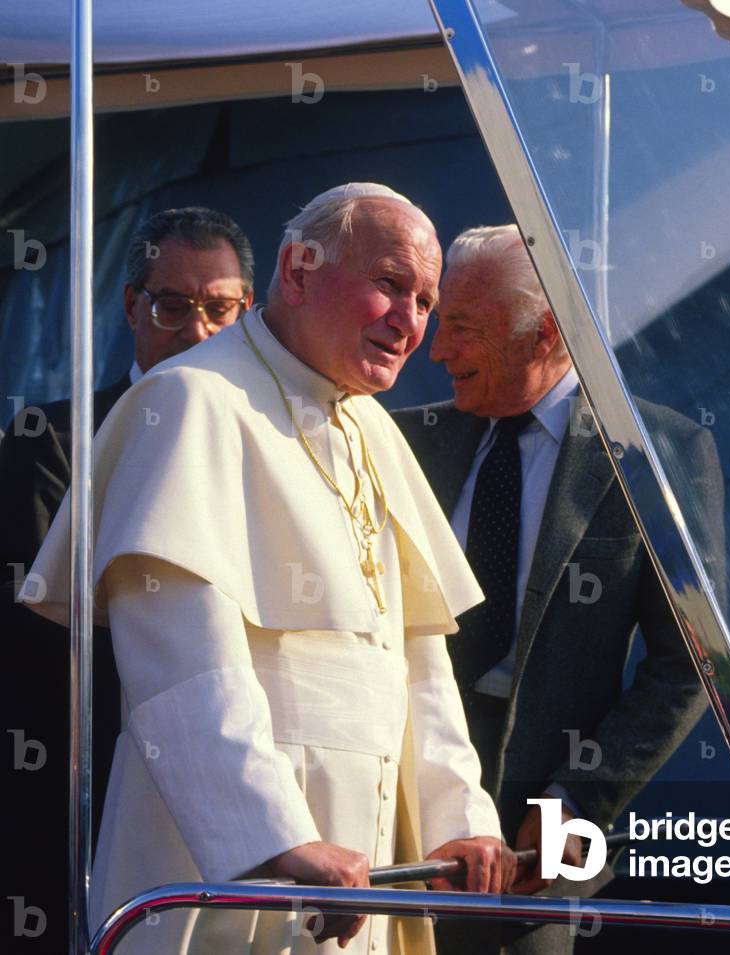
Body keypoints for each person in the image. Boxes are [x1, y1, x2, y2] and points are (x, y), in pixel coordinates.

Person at [21, 185, 505, 955]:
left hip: (365, 870)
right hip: (231, 868)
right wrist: (276, 838)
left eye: (423, 299)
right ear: (299, 268)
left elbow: (417, 660)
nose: (410, 319)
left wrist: (461, 820)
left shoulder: (374, 431)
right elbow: (181, 659)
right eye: (389, 282)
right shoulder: (186, 400)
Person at [393, 225, 725, 955]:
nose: (437, 349)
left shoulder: (656, 455)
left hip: (533, 859)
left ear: (543, 333)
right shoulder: (404, 440)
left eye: (462, 328)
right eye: (439, 320)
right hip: (398, 829)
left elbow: (691, 663)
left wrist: (578, 800)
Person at [0, 206, 254, 954]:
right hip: (80, 805)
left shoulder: (268, 451)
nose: (198, 330)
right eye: (173, 305)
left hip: (235, 814)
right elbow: (45, 638)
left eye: (221, 309)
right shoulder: (53, 441)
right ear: (131, 305)